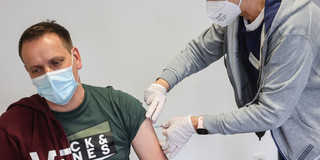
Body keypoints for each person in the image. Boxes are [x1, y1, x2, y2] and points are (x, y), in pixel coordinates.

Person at [144, 0, 320, 159]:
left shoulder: (294, 27)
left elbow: (271, 112)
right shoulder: (236, 17)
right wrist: (161, 85)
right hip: (289, 131)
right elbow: (200, 51)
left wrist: (194, 124)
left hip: (312, 133)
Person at [0, 20, 167, 160]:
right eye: (37, 69)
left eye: (56, 62)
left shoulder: (120, 106)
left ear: (76, 58)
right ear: (28, 71)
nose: (49, 76)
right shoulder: (13, 127)